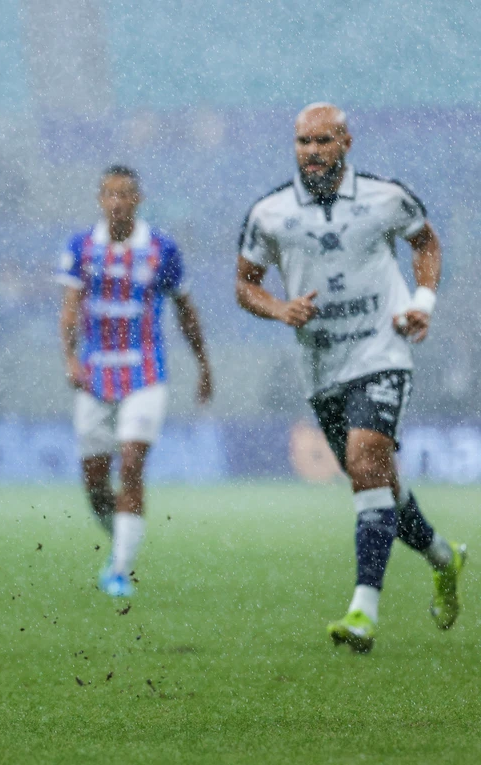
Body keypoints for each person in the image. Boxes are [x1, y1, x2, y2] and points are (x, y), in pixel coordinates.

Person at [236, 102, 465, 653]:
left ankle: (363, 611)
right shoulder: (269, 213)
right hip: (322, 368)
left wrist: (423, 302)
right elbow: (246, 284)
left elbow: (425, 242)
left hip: (382, 351)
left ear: (346, 142)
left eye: (322, 141)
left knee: (367, 461)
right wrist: (279, 310)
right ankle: (442, 556)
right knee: (376, 480)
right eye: (302, 142)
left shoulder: (386, 198)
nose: (311, 152)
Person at [57, 165, 213, 597]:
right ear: (99, 198)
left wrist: (203, 365)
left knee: (130, 465)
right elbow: (70, 309)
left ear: (138, 199)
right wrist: (71, 359)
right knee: (94, 482)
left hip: (145, 374)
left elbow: (186, 310)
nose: (117, 202)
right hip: (94, 375)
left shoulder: (161, 248)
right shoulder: (82, 247)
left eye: (125, 194)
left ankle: (119, 569)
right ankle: (120, 541)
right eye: (109, 193)